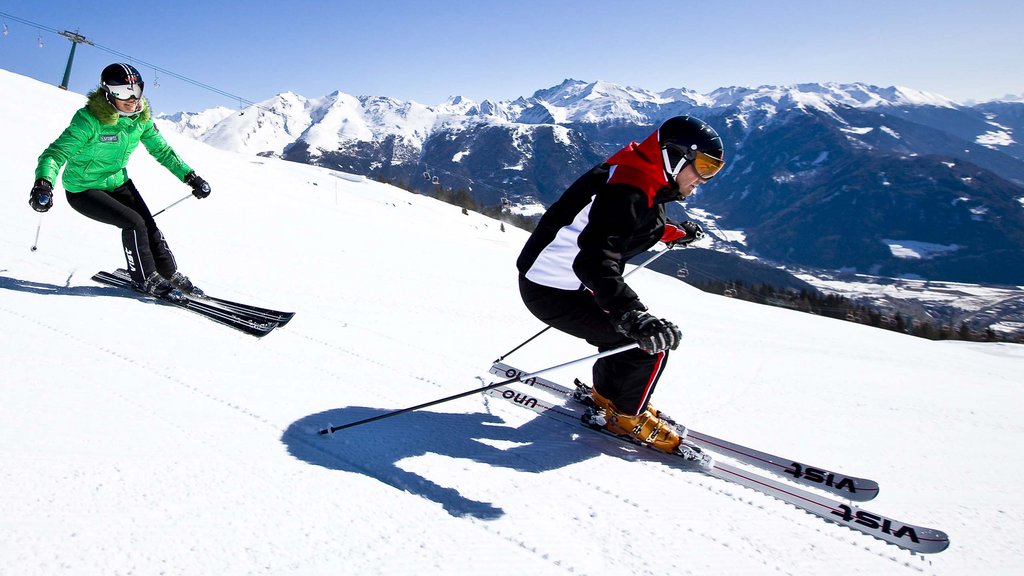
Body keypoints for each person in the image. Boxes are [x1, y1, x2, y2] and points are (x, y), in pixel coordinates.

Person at [516, 116, 725, 454]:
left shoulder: (641, 175)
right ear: (674, 156)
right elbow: (595, 259)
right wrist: (632, 314)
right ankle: (626, 416)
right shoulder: (626, 187)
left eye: (713, 169)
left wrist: (676, 232)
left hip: (561, 282)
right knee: (645, 345)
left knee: (620, 336)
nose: (704, 178)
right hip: (551, 289)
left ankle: (609, 396)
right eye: (703, 166)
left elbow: (636, 221)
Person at [29, 63, 212, 302]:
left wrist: (190, 177)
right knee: (133, 223)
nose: (132, 98)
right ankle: (145, 278)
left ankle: (168, 273)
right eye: (124, 92)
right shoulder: (89, 120)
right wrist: (43, 183)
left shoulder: (140, 119)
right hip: (83, 188)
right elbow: (55, 154)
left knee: (148, 224)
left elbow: (163, 151)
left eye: (137, 90)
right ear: (108, 93)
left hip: (118, 182)